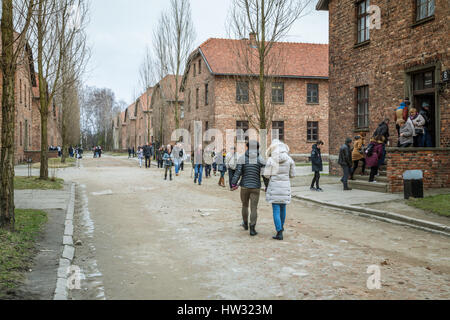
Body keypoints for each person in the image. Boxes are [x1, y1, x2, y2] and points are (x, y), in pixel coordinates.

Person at [231, 141, 266, 237]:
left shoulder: (242, 158)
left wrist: (233, 183)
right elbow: (264, 175)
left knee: (245, 205)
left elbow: (238, 172)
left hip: (244, 186)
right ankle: (253, 229)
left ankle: (245, 224)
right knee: (254, 208)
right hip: (256, 186)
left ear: (247, 147)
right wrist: (267, 185)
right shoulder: (260, 159)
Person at [263, 140, 296, 241]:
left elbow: (266, 175)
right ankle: (281, 227)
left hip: (274, 187)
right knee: (283, 208)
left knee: (276, 209)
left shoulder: (270, 160)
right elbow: (293, 175)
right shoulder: (290, 160)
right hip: (285, 187)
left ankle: (279, 231)